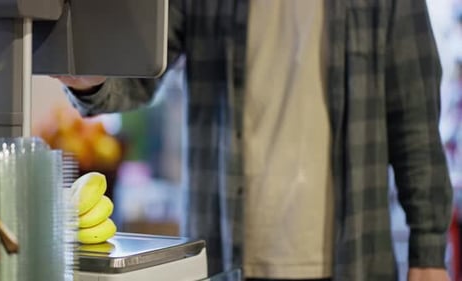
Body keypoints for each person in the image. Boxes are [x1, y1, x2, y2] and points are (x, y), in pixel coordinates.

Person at [56, 1, 454, 280]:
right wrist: (94, 78)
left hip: (353, 258)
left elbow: (415, 123)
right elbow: (139, 71)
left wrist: (428, 253)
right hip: (227, 255)